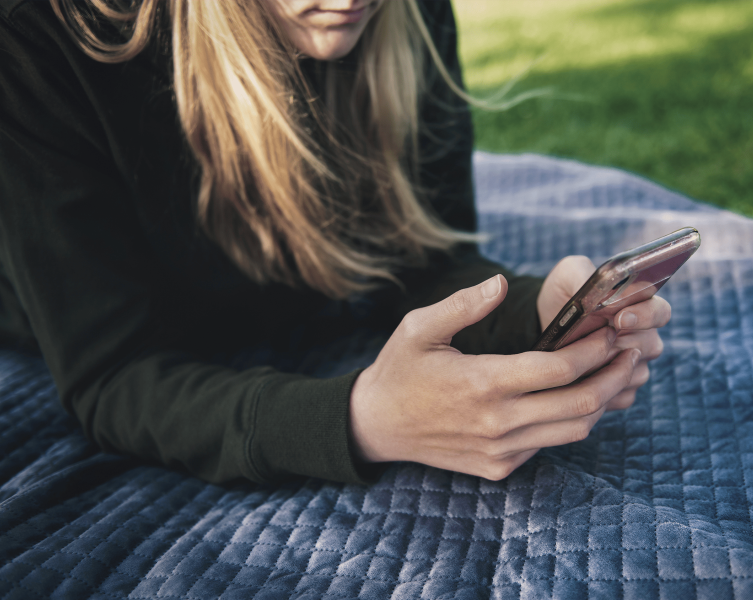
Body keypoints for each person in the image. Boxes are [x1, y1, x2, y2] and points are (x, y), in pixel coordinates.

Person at [0, 0, 670, 485]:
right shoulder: (38, 43)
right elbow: (116, 376)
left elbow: (420, 259)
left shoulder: (404, 16)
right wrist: (360, 421)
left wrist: (535, 312)